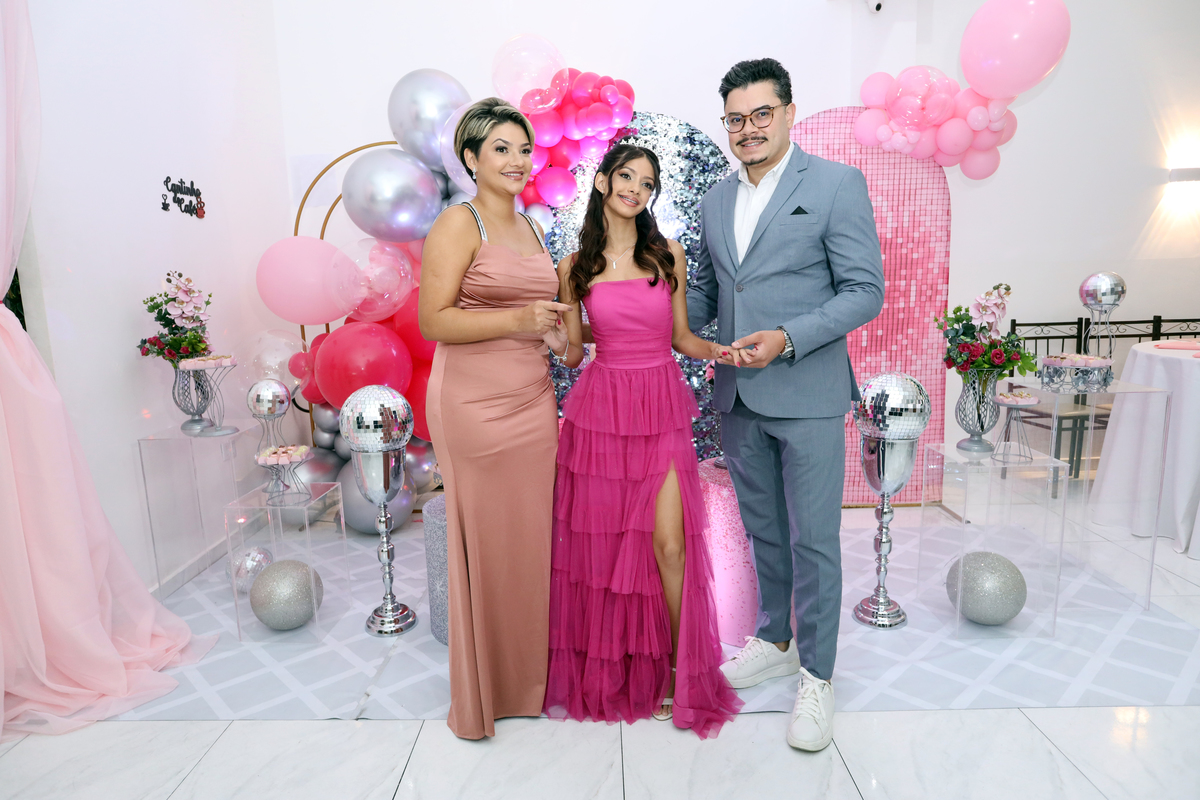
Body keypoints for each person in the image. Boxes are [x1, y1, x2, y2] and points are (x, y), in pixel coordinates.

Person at [687, 58, 884, 751]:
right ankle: (775, 639)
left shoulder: (835, 184)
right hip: (738, 395)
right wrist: (644, 309)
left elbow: (865, 290)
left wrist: (789, 338)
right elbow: (708, 293)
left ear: (789, 112)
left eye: (761, 114)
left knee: (813, 541)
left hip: (807, 393)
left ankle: (819, 675)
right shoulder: (715, 200)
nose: (748, 129)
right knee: (764, 531)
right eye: (735, 119)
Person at [543, 144, 742, 738]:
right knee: (608, 552)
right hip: (602, 412)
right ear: (603, 182)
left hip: (660, 405)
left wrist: (723, 351)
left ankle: (680, 670)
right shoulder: (575, 266)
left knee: (669, 547)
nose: (636, 188)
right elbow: (574, 355)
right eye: (626, 176)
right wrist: (552, 339)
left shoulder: (667, 255)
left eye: (647, 182)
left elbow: (682, 338)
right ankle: (625, 668)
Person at [420, 98, 571, 740]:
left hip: (534, 399)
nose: (516, 161)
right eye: (501, 149)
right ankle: (485, 693)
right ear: (471, 158)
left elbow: (547, 315)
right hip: (473, 406)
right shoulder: (460, 223)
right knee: (484, 542)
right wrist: (519, 319)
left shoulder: (534, 226)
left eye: (523, 149)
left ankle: (529, 683)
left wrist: (559, 336)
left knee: (531, 541)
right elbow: (433, 321)